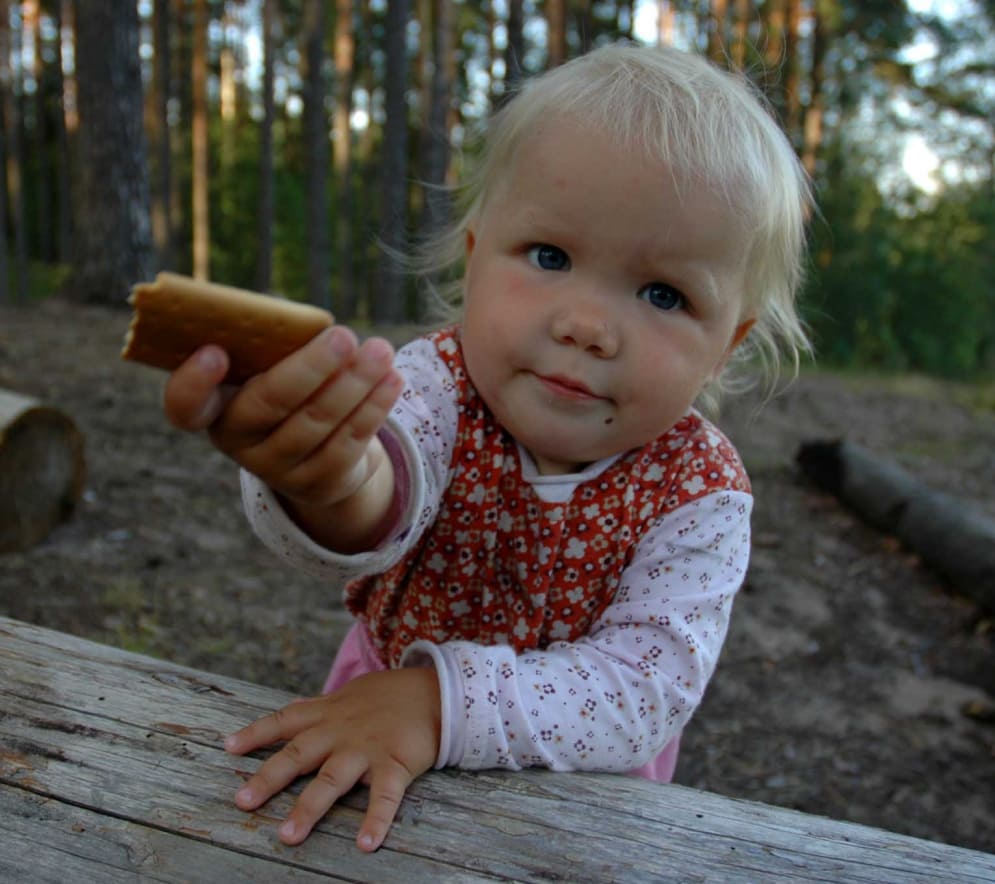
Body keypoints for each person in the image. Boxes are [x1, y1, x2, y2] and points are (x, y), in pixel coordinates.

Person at [162, 41, 812, 853]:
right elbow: (392, 479)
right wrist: (329, 483)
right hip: (373, 718)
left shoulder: (700, 492)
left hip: (579, 795)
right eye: (550, 256)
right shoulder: (435, 385)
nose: (586, 324)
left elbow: (644, 688)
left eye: (663, 294)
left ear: (727, 345)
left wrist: (437, 703)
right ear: (475, 258)